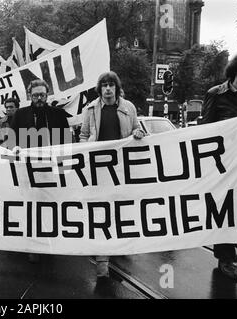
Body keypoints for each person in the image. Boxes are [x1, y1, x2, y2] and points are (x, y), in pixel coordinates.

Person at [79, 71, 145, 278]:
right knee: (101, 211)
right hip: (98, 169)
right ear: (100, 89)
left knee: (120, 210)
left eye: (111, 85)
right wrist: (86, 149)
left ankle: (117, 245)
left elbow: (139, 131)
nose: (108, 88)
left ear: (117, 88)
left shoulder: (129, 108)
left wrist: (138, 134)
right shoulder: (90, 109)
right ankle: (102, 261)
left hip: (121, 169)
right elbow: (82, 135)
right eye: (104, 85)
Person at [10, 79, 71, 263]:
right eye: (35, 95)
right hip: (27, 169)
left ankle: (49, 240)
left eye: (42, 95)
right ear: (30, 96)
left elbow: (67, 142)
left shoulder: (58, 114)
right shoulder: (20, 114)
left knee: (50, 206)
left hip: (51, 170)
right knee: (30, 206)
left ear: (47, 95)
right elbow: (12, 141)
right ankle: (34, 244)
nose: (39, 98)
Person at [201, 51, 237, 283]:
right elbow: (205, 131)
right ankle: (226, 257)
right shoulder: (216, 95)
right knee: (228, 210)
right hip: (225, 165)